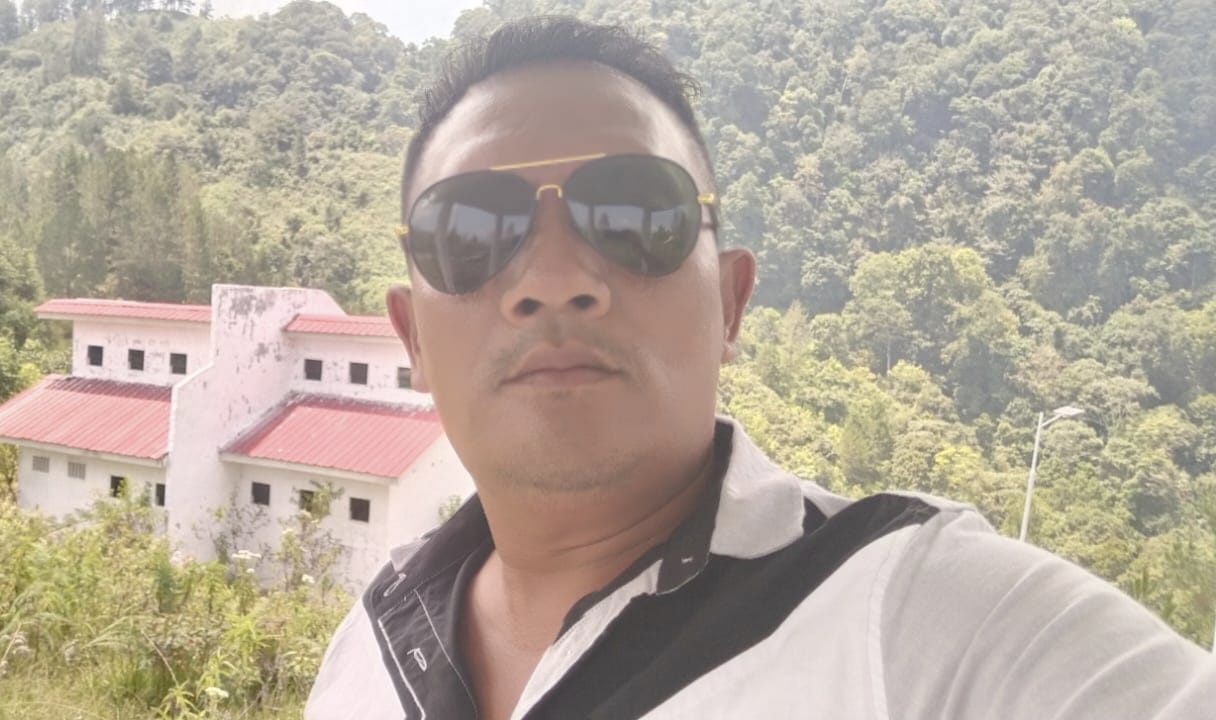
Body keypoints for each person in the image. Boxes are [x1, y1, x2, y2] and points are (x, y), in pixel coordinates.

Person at [305, 16, 1216, 720]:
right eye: (469, 229)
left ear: (731, 302)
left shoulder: (920, 617)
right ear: (413, 339)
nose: (551, 280)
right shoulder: (373, 640)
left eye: (634, 215)